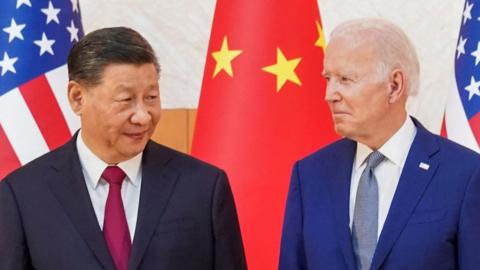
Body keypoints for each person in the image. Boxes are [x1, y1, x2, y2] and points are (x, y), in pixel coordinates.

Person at [0, 27, 247, 270]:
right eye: (125, 100)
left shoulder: (204, 187)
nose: (143, 117)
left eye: (151, 97)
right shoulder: (23, 195)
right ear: (77, 97)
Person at [279, 18, 480, 270]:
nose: (329, 95)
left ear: (394, 86)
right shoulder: (309, 174)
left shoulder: (464, 174)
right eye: (328, 78)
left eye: (345, 79)